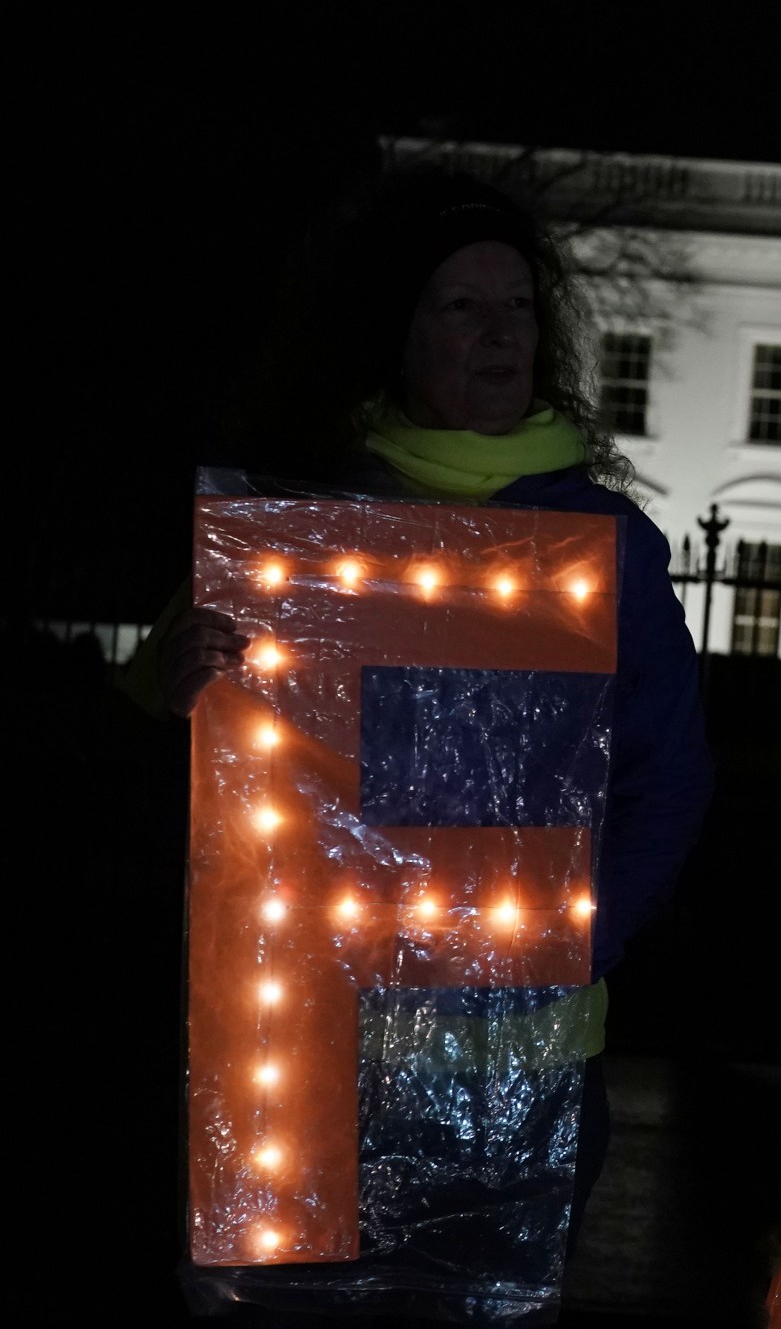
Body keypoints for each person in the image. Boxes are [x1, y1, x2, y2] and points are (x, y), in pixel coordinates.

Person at [123, 168, 714, 1258]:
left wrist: (582, 942)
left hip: (519, 1052)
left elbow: (664, 778)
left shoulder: (606, 544)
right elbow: (176, 800)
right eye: (463, 306)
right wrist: (173, 702)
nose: (502, 334)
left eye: (521, 306)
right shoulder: (290, 528)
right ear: (395, 333)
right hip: (307, 1044)